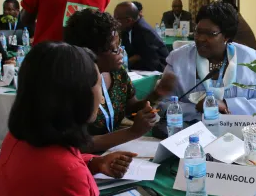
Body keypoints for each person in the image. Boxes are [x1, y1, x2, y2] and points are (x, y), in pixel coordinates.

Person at [0, 42, 137, 196]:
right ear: (76, 95)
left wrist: (96, 163)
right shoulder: (62, 172)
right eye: (97, 85)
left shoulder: (21, 136)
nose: (102, 98)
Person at [64, 9, 176, 152]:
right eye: (113, 49)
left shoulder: (117, 73)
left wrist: (156, 95)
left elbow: (129, 108)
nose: (120, 53)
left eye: (119, 46)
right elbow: (79, 144)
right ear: (89, 53)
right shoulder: (72, 85)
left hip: (116, 150)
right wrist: (132, 132)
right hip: (86, 159)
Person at [162, 0, 256, 122]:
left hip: (237, 133)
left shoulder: (250, 58)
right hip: (191, 133)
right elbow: (163, 104)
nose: (201, 39)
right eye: (198, 32)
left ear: (226, 36)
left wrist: (227, 104)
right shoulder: (178, 59)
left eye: (210, 34)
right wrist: (200, 109)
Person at [114, 2, 169, 71]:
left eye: (116, 19)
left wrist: (131, 60)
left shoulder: (144, 31)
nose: (115, 22)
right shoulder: (128, 29)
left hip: (159, 71)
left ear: (128, 20)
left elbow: (152, 63)